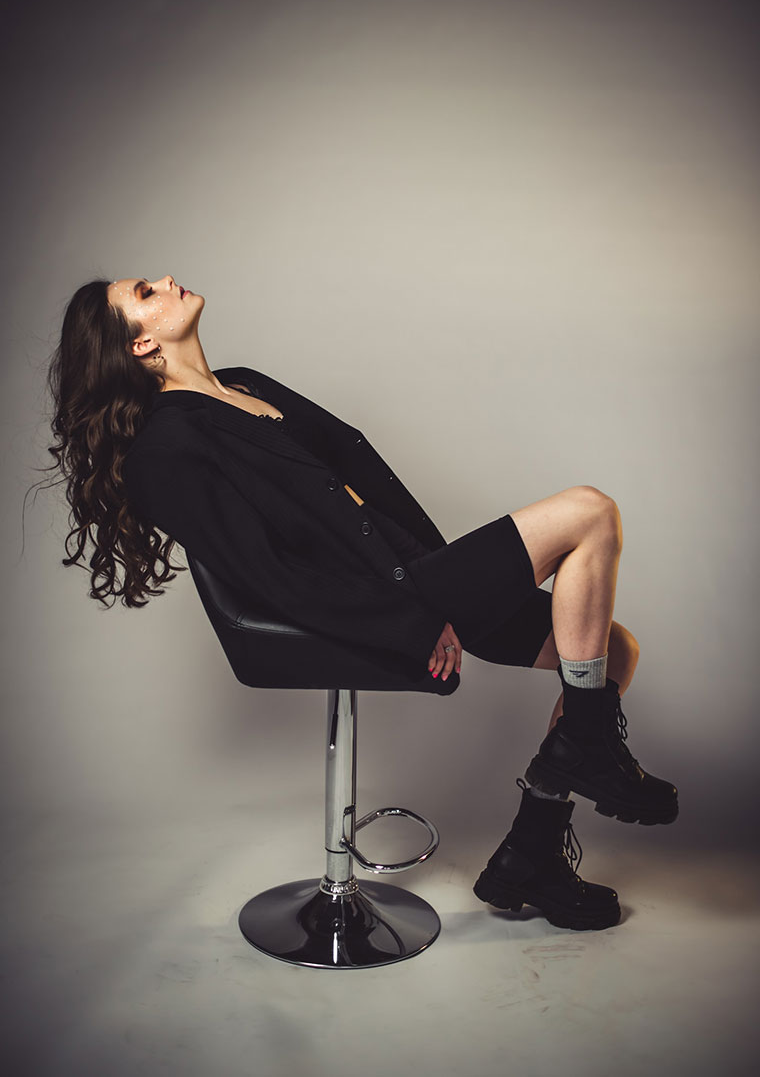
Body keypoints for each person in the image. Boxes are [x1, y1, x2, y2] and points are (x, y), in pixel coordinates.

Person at [42, 273, 678, 934]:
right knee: (589, 513)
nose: (167, 281)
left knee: (613, 651)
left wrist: (436, 575)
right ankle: (582, 752)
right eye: (146, 292)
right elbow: (268, 576)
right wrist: (411, 623)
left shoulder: (243, 384)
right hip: (391, 597)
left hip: (421, 568)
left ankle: (533, 851)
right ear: (141, 345)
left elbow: (347, 472)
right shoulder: (166, 447)